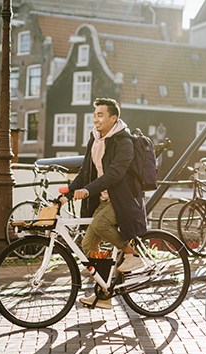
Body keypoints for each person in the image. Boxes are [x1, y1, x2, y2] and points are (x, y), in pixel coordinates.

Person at [61, 97, 148, 310]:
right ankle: (104, 293)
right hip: (104, 199)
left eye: (100, 115)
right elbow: (85, 171)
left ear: (113, 118)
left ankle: (131, 254)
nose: (96, 119)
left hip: (123, 200)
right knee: (88, 245)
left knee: (100, 224)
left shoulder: (123, 142)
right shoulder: (95, 139)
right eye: (95, 115)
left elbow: (114, 175)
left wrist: (87, 190)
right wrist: (70, 191)